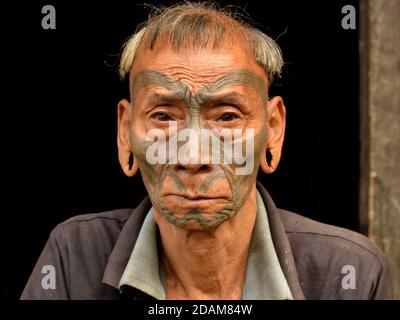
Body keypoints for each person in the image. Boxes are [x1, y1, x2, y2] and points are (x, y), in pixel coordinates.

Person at [21, 2, 393, 300]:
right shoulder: (75, 257)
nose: (193, 156)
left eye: (227, 116)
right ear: (125, 131)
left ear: (273, 129)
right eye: (163, 116)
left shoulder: (349, 273)